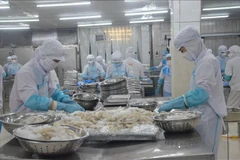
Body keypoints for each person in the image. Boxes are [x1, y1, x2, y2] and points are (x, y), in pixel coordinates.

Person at [158, 26, 227, 159]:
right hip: (203, 115)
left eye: (183, 50)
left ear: (192, 44)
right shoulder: (201, 61)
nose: (183, 54)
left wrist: (173, 103)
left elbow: (201, 94)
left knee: (208, 156)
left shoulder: (207, 61)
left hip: (209, 117)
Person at [9, 39, 85, 113]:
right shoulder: (26, 72)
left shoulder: (47, 71)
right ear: (43, 56)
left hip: (39, 115)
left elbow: (53, 91)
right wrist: (61, 106)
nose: (56, 64)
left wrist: (67, 101)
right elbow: (31, 101)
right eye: (55, 61)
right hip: (23, 116)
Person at [224, 45, 240, 110]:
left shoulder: (230, 62)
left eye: (229, 53)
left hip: (236, 87)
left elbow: (228, 77)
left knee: (230, 106)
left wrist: (224, 78)